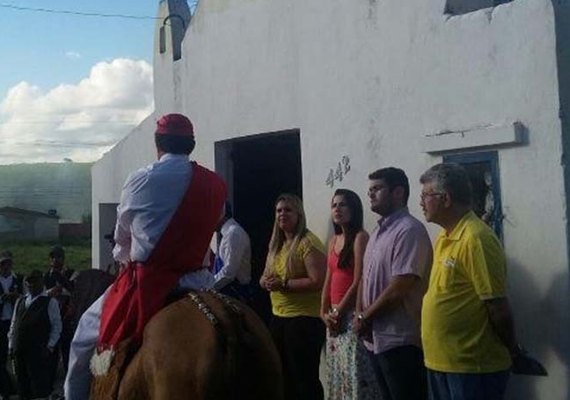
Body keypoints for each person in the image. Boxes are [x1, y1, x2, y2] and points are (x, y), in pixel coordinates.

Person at [64, 113, 226, 400]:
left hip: (147, 283)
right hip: (202, 283)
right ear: (191, 145)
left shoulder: (141, 179)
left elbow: (122, 239)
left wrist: (124, 256)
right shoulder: (215, 184)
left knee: (82, 340)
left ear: (157, 144)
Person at [419, 163, 519, 400]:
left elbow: (497, 307)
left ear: (446, 199)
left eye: (425, 195)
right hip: (441, 361)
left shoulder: (476, 239)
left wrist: (513, 350)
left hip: (471, 367)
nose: (421, 202)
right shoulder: (445, 236)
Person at [353, 167, 432, 400]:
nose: (370, 194)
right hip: (374, 338)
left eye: (377, 189)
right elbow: (364, 280)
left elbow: (401, 286)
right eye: (370, 190)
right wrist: (360, 315)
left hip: (400, 340)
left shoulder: (409, 230)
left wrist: (365, 317)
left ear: (398, 192)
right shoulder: (377, 232)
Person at [260, 193, 326, 400]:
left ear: (299, 214)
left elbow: (318, 280)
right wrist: (266, 282)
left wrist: (285, 284)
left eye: (288, 210)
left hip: (303, 320)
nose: (282, 214)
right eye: (279, 210)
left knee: (304, 379)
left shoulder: (308, 242)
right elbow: (264, 276)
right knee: (282, 377)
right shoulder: (276, 245)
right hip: (279, 317)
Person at [320, 189, 381, 400]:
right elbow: (328, 279)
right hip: (333, 317)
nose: (337, 209)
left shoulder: (360, 237)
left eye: (343, 205)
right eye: (334, 205)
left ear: (354, 209)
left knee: (355, 372)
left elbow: (358, 280)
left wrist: (338, 311)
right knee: (337, 372)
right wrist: (323, 312)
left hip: (349, 315)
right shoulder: (333, 241)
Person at [8, 270, 62, 400]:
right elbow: (14, 323)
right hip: (19, 349)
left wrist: (50, 346)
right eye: (29, 282)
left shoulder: (49, 302)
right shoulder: (20, 301)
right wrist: (11, 345)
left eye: (35, 282)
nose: (31, 285)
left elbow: (57, 326)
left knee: (39, 388)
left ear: (41, 282)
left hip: (38, 351)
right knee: (22, 387)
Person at [44, 245, 75, 373]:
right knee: (52, 347)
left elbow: (74, 291)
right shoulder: (46, 276)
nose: (56, 260)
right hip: (52, 316)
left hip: (66, 315)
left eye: (58, 257)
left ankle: (68, 372)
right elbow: (41, 294)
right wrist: (51, 292)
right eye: (53, 257)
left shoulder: (70, 273)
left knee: (67, 347)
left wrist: (62, 284)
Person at [212, 202, 252, 301]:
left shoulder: (233, 233)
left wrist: (208, 286)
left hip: (235, 293)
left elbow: (229, 273)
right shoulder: (227, 234)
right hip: (227, 291)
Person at [0, 251, 22, 399]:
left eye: (8, 263)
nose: (5, 266)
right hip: (1, 321)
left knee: (16, 355)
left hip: (14, 322)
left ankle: (17, 387)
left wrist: (15, 297)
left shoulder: (18, 279)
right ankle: (5, 389)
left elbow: (25, 297)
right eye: (3, 264)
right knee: (1, 357)